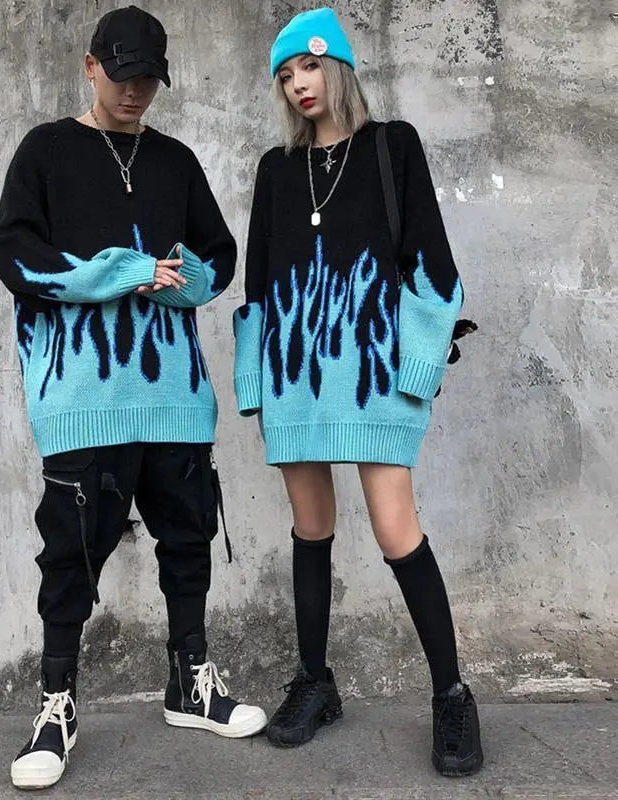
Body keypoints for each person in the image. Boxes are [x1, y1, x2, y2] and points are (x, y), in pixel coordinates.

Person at [0, 5, 266, 790]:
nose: (135, 90)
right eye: (121, 74)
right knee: (70, 556)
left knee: (187, 539)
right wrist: (125, 271)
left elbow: (217, 257)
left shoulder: (175, 160)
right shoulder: (46, 150)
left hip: (175, 396)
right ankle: (55, 706)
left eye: (148, 77)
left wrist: (176, 283)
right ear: (90, 66)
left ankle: (189, 683)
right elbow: (14, 256)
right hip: (80, 396)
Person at [232, 7, 483, 776]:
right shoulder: (276, 170)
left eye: (307, 66)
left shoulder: (391, 146)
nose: (297, 84)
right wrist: (255, 382)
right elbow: (259, 280)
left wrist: (417, 372)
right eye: (284, 75)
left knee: (396, 531)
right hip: (296, 380)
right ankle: (315, 682)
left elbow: (433, 265)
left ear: (336, 66)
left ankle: (452, 694)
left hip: (376, 377)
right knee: (311, 528)